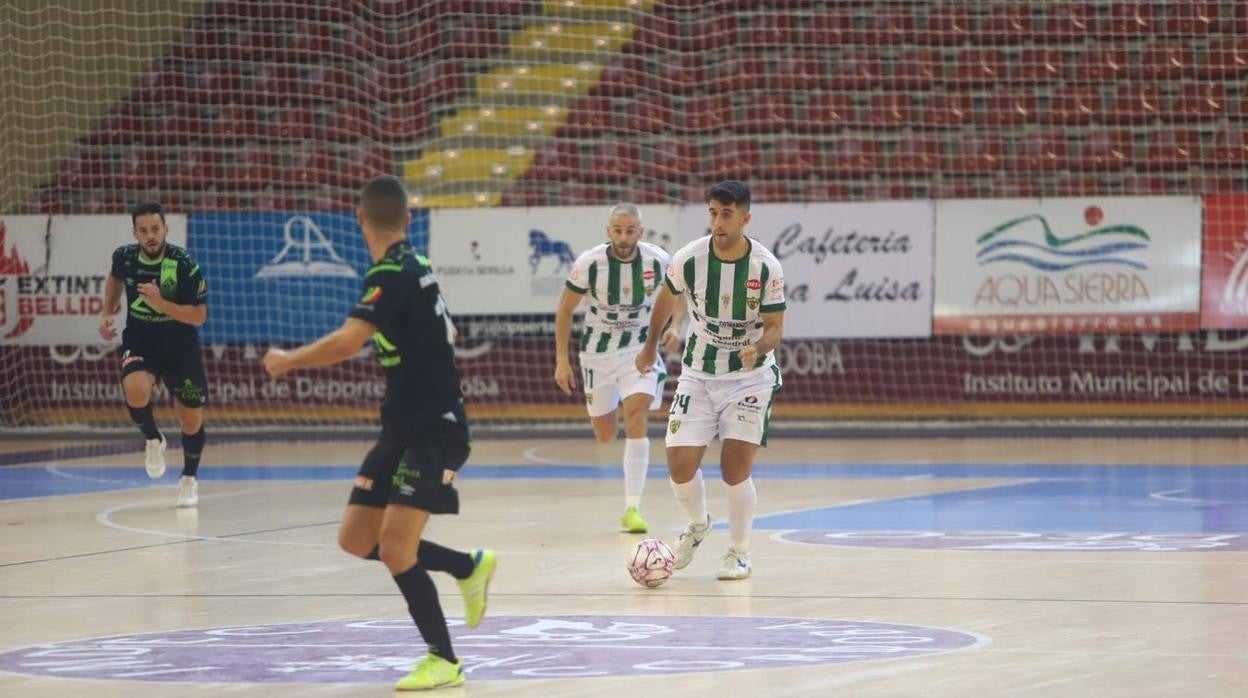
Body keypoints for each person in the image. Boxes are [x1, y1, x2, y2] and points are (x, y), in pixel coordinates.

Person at [261, 175, 495, 691]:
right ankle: (465, 565)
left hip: (435, 428)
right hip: (402, 425)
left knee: (394, 549)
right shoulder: (414, 262)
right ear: (408, 220)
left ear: (358, 219)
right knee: (356, 538)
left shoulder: (393, 272)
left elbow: (348, 342)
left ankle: (444, 659)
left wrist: (287, 360)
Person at [634, 181, 785, 581]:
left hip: (749, 378)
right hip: (699, 373)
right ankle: (698, 525)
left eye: (727, 214)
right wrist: (651, 345)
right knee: (679, 466)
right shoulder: (689, 258)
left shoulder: (765, 267)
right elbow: (666, 298)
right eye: (713, 213)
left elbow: (774, 327)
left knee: (734, 469)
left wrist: (759, 348)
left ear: (745, 218)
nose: (718, 222)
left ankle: (738, 552)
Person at [553, 203, 682, 533]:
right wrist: (562, 360)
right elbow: (565, 311)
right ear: (607, 231)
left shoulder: (658, 259)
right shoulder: (589, 263)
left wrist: (674, 325)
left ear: (641, 231)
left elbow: (680, 294)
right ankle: (630, 499)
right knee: (606, 435)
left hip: (640, 348)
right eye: (618, 230)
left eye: (630, 231)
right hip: (597, 354)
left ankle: (632, 508)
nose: (624, 237)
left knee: (636, 413)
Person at [99, 202, 208, 508]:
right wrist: (107, 312)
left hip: (179, 347)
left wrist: (161, 303)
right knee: (135, 390)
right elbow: (114, 278)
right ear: (135, 232)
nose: (151, 235)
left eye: (156, 229)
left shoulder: (183, 263)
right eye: (144, 230)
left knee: (190, 421)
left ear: (166, 229)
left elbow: (199, 315)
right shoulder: (124, 257)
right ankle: (152, 439)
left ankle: (189, 479)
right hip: (141, 341)